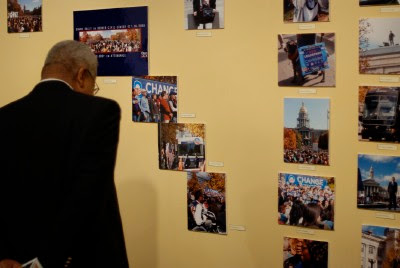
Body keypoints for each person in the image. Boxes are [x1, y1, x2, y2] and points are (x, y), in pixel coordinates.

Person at [0, 40, 129, 268]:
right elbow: (86, 196)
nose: (91, 92)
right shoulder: (100, 112)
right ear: (81, 75)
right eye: (93, 85)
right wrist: (43, 262)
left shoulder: (4, 116)